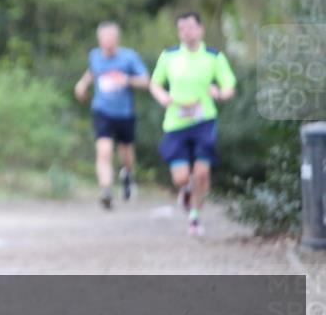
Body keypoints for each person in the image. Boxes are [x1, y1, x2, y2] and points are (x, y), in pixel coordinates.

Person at [149, 12, 236, 236]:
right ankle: (185, 191)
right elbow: (155, 84)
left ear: (200, 30)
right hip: (176, 123)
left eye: (190, 27)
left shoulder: (213, 56)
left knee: (201, 174)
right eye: (181, 29)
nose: (186, 32)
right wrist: (163, 97)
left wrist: (220, 93)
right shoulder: (169, 56)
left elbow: (229, 86)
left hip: (204, 121)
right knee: (180, 177)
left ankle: (195, 218)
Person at [74, 22, 149, 209]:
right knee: (104, 150)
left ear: (117, 39)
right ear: (99, 40)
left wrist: (127, 79)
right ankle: (106, 191)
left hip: (124, 113)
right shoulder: (95, 55)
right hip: (102, 111)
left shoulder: (129, 57)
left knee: (126, 152)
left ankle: (128, 174)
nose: (106, 42)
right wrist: (82, 85)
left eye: (110, 38)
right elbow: (92, 72)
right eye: (103, 38)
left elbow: (146, 81)